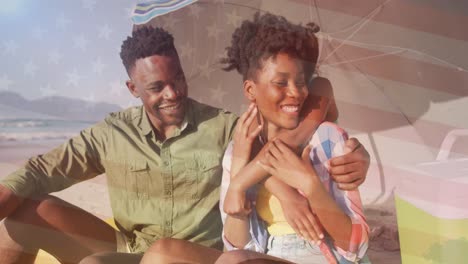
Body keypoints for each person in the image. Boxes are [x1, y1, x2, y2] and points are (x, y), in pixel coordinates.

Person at [0, 26, 369, 264]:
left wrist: (348, 157)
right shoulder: (112, 133)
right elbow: (40, 170)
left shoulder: (221, 125)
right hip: (131, 249)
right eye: (157, 88)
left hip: (199, 255)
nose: (172, 93)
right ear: (133, 89)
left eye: (177, 79)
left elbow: (266, 145)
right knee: (23, 215)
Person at [140, 13, 369, 264]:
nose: (295, 92)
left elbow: (356, 247)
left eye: (301, 82)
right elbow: (236, 244)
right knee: (161, 254)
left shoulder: (326, 139)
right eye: (280, 83)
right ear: (250, 90)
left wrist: (311, 186)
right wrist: (241, 178)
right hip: (265, 255)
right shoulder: (239, 148)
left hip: (323, 257)